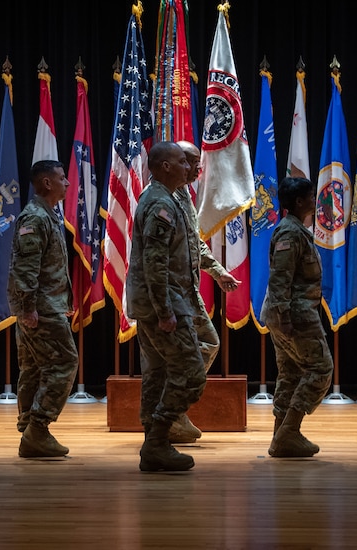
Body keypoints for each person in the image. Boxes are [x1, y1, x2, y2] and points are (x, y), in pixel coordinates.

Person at [126, 141, 206, 472]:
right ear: (165, 167)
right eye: (181, 163)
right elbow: (155, 263)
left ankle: (154, 445)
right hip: (164, 304)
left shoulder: (164, 199)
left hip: (157, 303)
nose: (189, 167)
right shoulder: (161, 203)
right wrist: (165, 312)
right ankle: (157, 439)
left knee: (157, 374)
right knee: (191, 373)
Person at [169, 140, 241, 444]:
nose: (198, 168)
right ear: (174, 163)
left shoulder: (183, 194)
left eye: (197, 162)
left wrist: (218, 271)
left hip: (186, 289)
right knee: (200, 345)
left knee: (203, 344)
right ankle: (170, 413)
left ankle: (171, 412)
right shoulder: (161, 198)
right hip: (171, 293)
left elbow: (193, 242)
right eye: (192, 162)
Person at [8, 159, 78, 458]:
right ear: (47, 183)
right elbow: (26, 269)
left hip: (46, 306)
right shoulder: (35, 218)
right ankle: (38, 428)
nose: (67, 183)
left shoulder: (47, 215)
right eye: (62, 178)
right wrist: (27, 309)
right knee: (64, 362)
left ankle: (30, 431)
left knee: (35, 368)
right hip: (39, 309)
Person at [260, 176, 334, 458]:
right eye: (312, 197)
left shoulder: (296, 231)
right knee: (320, 369)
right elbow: (280, 279)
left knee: (290, 373)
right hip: (295, 315)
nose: (316, 201)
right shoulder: (290, 234)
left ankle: (281, 437)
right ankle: (289, 431)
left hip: (290, 314)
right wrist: (285, 317)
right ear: (300, 202)